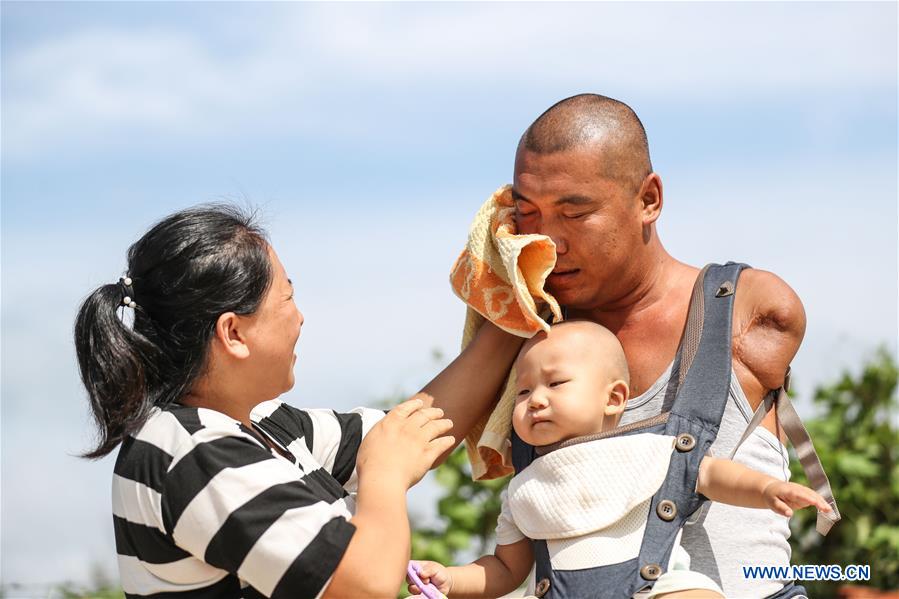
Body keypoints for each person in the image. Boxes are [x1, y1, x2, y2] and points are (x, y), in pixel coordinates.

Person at [74, 205, 522, 598]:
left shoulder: (258, 424)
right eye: (287, 297)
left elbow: (412, 432)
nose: (300, 317)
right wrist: (383, 476)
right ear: (233, 333)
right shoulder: (194, 452)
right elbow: (364, 586)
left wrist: (515, 304)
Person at [506, 93, 810, 597]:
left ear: (649, 199)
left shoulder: (746, 311)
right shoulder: (532, 337)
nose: (547, 241)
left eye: (574, 214)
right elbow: (425, 428)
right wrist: (504, 297)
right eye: (527, 214)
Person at [406, 322, 830, 599]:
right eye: (522, 392)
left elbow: (712, 474)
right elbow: (504, 568)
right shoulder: (525, 488)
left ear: (614, 399)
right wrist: (452, 578)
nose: (535, 399)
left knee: (694, 593)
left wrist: (767, 488)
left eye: (556, 383)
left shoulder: (649, 448)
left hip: (658, 587)